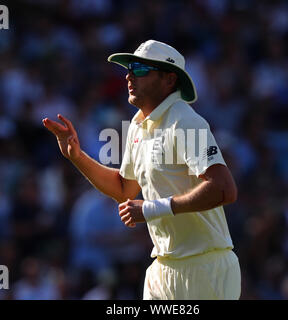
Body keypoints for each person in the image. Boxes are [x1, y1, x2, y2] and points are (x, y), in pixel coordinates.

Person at [42, 40, 241, 300]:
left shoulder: (186, 121)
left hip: (205, 268)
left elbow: (224, 189)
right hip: (162, 268)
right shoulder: (137, 126)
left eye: (139, 69)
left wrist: (150, 209)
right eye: (128, 69)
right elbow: (124, 189)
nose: (128, 76)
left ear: (169, 80)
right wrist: (77, 156)